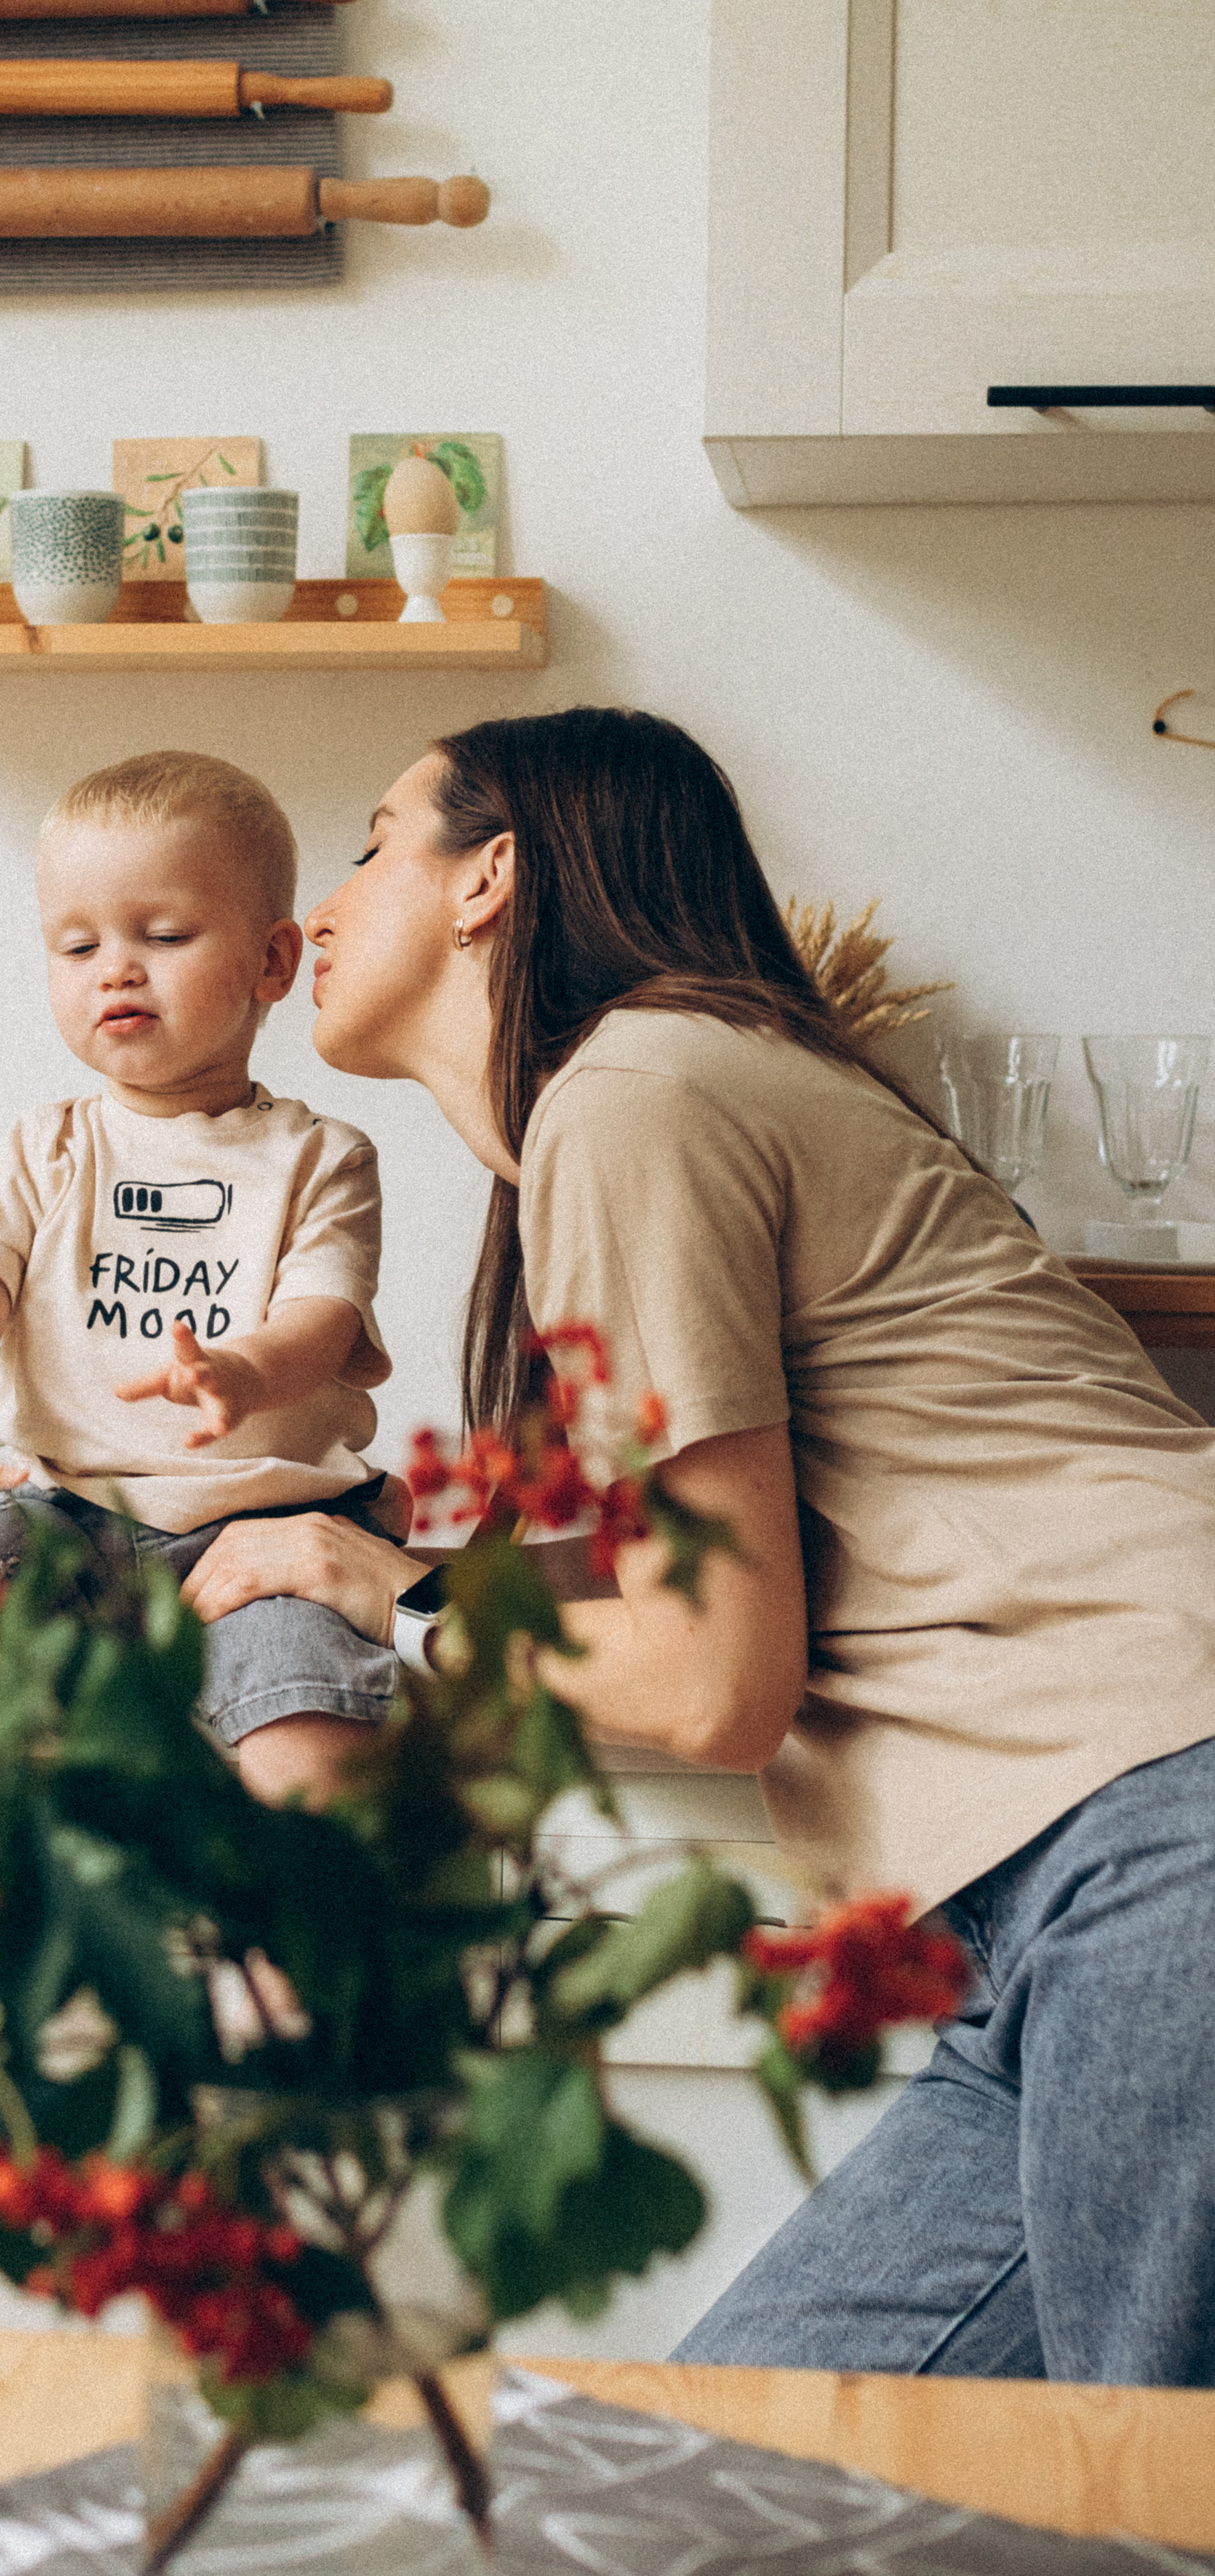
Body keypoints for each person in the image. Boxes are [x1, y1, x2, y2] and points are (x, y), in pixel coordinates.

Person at [175, 704, 1215, 2387]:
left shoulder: (633, 1091)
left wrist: (390, 1600)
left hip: (1158, 1829)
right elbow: (682, 1579)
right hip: (1074, 1880)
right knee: (744, 2476)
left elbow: (717, 1679)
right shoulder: (652, 1100)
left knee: (1151, 2526)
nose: (321, 906)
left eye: (372, 841)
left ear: (485, 881)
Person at [0, 751, 399, 2080]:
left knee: (302, 1698)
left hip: (264, 1534)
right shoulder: (42, 1150)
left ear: (267, 963)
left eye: (161, 934)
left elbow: (322, 1311)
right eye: (75, 944)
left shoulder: (322, 1156)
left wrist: (244, 1375)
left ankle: (270, 1946)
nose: (113, 972)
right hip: (70, 1519)